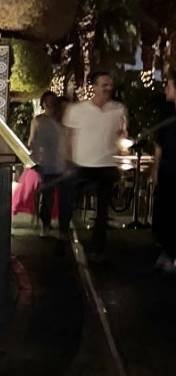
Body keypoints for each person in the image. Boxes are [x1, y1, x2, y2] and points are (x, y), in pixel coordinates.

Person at [59, 70, 128, 261]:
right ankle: (63, 237)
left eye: (110, 84)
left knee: (102, 210)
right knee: (68, 202)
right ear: (94, 87)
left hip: (106, 164)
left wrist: (121, 150)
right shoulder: (77, 110)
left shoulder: (118, 109)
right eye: (104, 84)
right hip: (81, 164)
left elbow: (121, 134)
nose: (108, 88)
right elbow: (68, 136)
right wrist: (67, 160)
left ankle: (98, 248)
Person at [28, 90, 68, 243]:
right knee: (47, 197)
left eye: (52, 101)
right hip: (46, 163)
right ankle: (45, 224)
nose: (50, 104)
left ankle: (62, 227)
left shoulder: (62, 121)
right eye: (47, 101)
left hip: (62, 162)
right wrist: (35, 157)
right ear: (43, 104)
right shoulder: (38, 121)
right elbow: (32, 141)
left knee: (63, 197)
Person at [151, 69, 176, 273]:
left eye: (168, 85)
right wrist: (155, 171)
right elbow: (159, 146)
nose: (166, 89)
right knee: (165, 214)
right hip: (168, 173)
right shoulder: (167, 115)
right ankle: (167, 252)